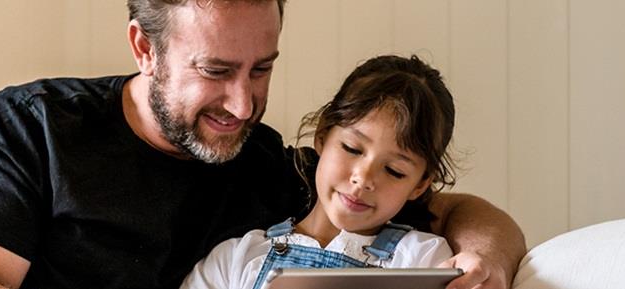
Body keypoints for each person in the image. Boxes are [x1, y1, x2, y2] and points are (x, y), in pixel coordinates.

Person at [0, 1, 525, 289]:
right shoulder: (31, 126)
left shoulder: (273, 169)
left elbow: (454, 209)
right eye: (215, 70)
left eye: (261, 70)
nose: (242, 104)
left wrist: (486, 263)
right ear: (144, 49)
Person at [181, 55, 459, 289]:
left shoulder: (424, 260)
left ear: (421, 183)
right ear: (323, 136)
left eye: (394, 170)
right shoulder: (236, 259)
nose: (363, 179)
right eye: (352, 148)